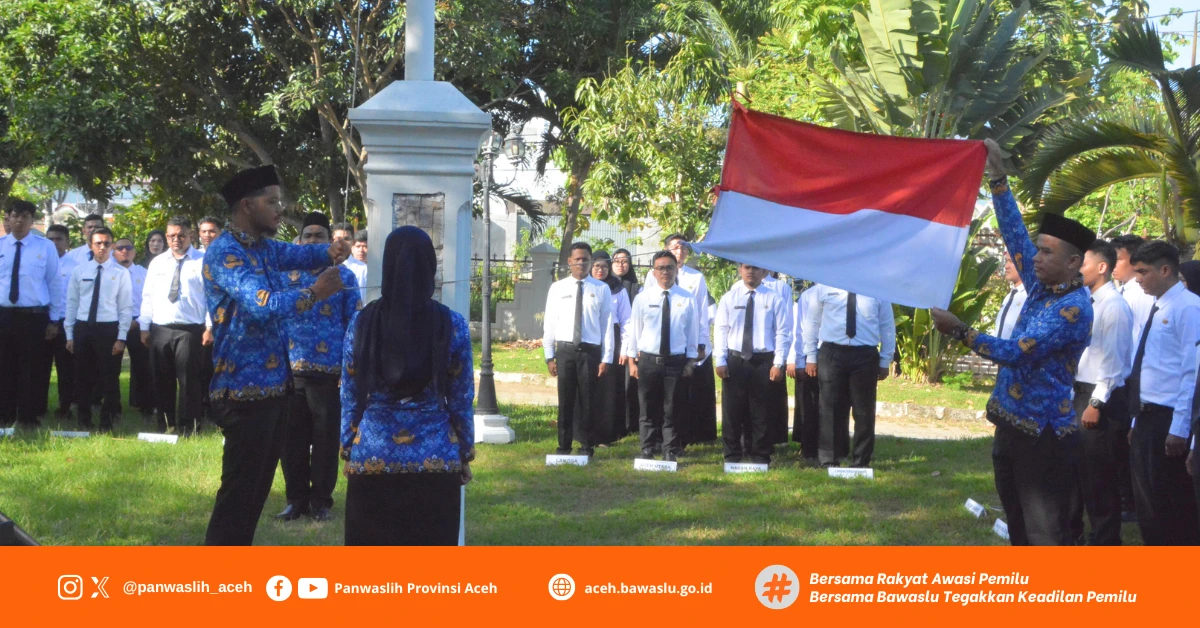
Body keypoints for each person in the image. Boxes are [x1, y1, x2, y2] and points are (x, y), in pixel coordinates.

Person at [932, 139, 1094, 546]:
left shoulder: (1073, 308)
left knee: (1045, 531)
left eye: (1045, 252)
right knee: (1018, 525)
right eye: (1037, 251)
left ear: (1074, 263)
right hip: (1011, 423)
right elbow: (1013, 233)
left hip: (1042, 437)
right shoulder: (1044, 285)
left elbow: (1014, 352)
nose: (1034, 258)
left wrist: (958, 329)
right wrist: (997, 176)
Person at [203, 165, 349, 546]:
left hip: (274, 389)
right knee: (238, 495)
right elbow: (262, 304)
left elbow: (297, 255)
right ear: (247, 206)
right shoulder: (226, 252)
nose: (280, 210)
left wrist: (329, 250)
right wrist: (315, 293)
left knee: (254, 495)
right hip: (241, 391)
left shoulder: (263, 248)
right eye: (272, 202)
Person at [340, 226, 474, 545]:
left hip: (373, 454)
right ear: (430, 267)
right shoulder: (451, 324)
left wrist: (348, 447)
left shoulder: (362, 323)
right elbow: (461, 397)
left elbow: (349, 393)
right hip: (436, 457)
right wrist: (464, 452)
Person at [276, 212, 361, 523]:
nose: (313, 241)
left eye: (319, 236)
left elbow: (354, 325)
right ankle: (295, 500)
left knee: (325, 440)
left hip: (329, 373)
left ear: (331, 241)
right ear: (299, 241)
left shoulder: (344, 277)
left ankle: (321, 502)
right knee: (292, 440)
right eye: (307, 236)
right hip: (290, 370)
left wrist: (349, 371)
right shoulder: (285, 276)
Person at [1125, 240, 1200, 545]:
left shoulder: (1189, 308)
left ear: (1166, 269)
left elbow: (1191, 374)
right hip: (1146, 417)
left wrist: (1180, 429)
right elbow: (1147, 367)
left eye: (1143, 272)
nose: (1137, 278)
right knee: (1148, 505)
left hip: (1168, 420)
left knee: (1171, 507)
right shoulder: (1158, 307)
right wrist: (1134, 421)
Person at [1069, 239, 1133, 545]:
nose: (1078, 268)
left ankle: (1105, 543)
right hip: (1079, 391)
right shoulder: (1086, 301)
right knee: (1077, 474)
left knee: (1099, 479)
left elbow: (1114, 362)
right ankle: (1075, 537)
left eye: (1083, 263)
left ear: (1102, 267)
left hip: (1101, 398)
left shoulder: (1115, 307)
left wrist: (1095, 402)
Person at [803, 282, 895, 468]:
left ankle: (861, 461)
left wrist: (885, 359)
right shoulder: (824, 284)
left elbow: (886, 326)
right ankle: (829, 460)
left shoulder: (877, 287)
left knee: (864, 411)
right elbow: (812, 322)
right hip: (832, 353)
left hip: (865, 355)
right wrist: (811, 356)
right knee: (829, 408)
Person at [625, 251, 697, 461]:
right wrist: (632, 361)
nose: (665, 272)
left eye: (669, 267)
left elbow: (692, 333)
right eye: (660, 268)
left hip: (675, 362)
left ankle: (670, 450)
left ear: (676, 270)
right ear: (654, 272)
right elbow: (634, 331)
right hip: (648, 361)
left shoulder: (687, 298)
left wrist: (691, 360)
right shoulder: (643, 298)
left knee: (672, 409)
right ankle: (647, 449)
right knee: (647, 407)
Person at [646, 234, 717, 447]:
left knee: (682, 394)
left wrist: (700, 344)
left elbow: (702, 314)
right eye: (675, 247)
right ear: (667, 249)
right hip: (658, 342)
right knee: (660, 394)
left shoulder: (696, 278)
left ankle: (681, 438)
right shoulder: (653, 275)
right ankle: (657, 438)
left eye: (684, 248)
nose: (680, 251)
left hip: (686, 340)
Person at [543, 242, 613, 457]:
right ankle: (563, 446)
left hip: (590, 352)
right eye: (577, 259)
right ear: (569, 262)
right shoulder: (558, 288)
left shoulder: (601, 289)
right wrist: (549, 356)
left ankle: (586, 446)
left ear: (591, 261)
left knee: (588, 401)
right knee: (565, 400)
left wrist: (607, 357)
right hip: (564, 351)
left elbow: (607, 324)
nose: (581, 263)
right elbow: (549, 322)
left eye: (585, 259)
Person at [715, 263, 790, 464]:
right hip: (735, 360)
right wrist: (720, 359)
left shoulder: (774, 298)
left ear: (764, 272)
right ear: (740, 270)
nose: (751, 271)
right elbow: (721, 329)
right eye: (747, 267)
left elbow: (782, 332)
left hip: (763, 361)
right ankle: (732, 455)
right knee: (732, 411)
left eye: (756, 268)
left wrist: (778, 363)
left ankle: (760, 456)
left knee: (761, 411)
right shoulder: (729, 298)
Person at [140, 216, 207, 435]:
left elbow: (210, 298)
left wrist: (210, 327)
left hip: (190, 329)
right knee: (162, 378)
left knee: (189, 380)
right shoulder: (158, 262)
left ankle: (190, 426)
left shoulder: (203, 261)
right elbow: (147, 296)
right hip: (161, 328)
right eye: (171, 236)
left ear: (191, 236)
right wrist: (144, 326)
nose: (175, 240)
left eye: (180, 235)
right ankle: (166, 424)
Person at [0, 199, 63, 428]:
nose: (19, 221)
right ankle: (4, 415)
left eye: (24, 217)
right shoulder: (0, 245)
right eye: (15, 216)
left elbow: (55, 284)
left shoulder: (44, 247)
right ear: (7, 217)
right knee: (4, 366)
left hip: (34, 316)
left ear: (32, 220)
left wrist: (54, 319)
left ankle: (29, 416)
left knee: (33, 367)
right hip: (4, 316)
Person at [64, 227, 132, 431]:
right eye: (98, 243)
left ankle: (107, 421)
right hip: (84, 328)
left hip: (108, 329)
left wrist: (121, 338)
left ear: (112, 245)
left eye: (106, 243)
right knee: (82, 376)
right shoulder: (80, 270)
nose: (102, 247)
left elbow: (125, 307)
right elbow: (71, 303)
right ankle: (83, 420)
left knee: (109, 377)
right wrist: (69, 335)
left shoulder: (121, 273)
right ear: (90, 245)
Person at [585, 250, 632, 445]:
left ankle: (607, 434)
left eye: (604, 266)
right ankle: (586, 432)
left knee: (609, 388)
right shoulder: (585, 286)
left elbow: (627, 320)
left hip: (613, 339)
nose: (600, 270)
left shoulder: (617, 288)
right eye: (597, 266)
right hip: (590, 337)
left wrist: (624, 349)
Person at [36, 224, 74, 419]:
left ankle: (65, 407)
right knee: (39, 367)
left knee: (66, 368)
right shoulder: (39, 262)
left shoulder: (76, 265)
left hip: (66, 323)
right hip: (42, 321)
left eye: (59, 239)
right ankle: (37, 407)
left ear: (68, 242)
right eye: (50, 239)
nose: (54, 243)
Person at [113, 237, 154, 419]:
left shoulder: (143, 273)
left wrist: (137, 321)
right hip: (114, 324)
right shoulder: (109, 272)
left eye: (128, 248)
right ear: (114, 252)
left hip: (138, 324)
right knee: (112, 368)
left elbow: (149, 300)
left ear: (134, 252)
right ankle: (113, 408)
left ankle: (146, 406)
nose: (124, 251)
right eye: (120, 248)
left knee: (143, 367)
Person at [760, 272, 794, 449]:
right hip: (747, 351)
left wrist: (784, 354)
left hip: (773, 350)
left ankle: (775, 438)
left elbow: (787, 323)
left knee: (773, 397)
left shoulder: (781, 287)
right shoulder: (738, 287)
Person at [787, 282, 819, 461]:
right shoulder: (807, 296)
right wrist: (796, 360)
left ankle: (832, 446)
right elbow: (797, 330)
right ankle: (807, 448)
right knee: (807, 404)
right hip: (807, 354)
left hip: (833, 353)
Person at [611, 248, 641, 436]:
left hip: (632, 340)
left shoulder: (637, 288)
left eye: (625, 261)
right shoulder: (606, 286)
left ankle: (631, 423)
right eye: (617, 261)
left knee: (630, 384)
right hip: (613, 341)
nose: (621, 265)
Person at [994, 252, 1028, 340]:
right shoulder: (1009, 296)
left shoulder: (1029, 296)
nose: (1006, 266)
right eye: (1006, 261)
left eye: (1011, 261)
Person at [343, 228, 369, 301]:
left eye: (365, 246)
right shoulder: (343, 267)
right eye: (358, 246)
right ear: (352, 248)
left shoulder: (374, 269)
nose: (361, 250)